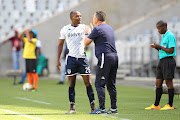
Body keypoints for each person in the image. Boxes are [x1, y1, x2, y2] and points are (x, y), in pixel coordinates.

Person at [57, 11, 96, 114]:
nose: (79, 17)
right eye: (77, 16)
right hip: (71, 59)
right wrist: (58, 59)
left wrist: (92, 33)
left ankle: (93, 107)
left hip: (82, 58)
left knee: (88, 83)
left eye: (80, 16)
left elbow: (88, 41)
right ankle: (72, 108)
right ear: (71, 18)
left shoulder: (85, 28)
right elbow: (60, 45)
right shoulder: (65, 29)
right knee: (71, 84)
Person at [84, 11, 118, 114]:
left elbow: (85, 42)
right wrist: (92, 32)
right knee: (111, 84)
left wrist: (87, 32)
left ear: (96, 19)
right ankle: (113, 108)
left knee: (99, 83)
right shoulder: (109, 28)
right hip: (114, 57)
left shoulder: (97, 29)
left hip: (105, 57)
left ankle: (102, 108)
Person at [145, 20, 176, 110]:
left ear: (165, 26)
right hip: (162, 61)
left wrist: (159, 46)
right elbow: (164, 49)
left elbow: (171, 51)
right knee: (158, 83)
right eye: (157, 29)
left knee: (168, 82)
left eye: (159, 28)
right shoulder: (164, 36)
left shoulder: (170, 35)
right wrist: (156, 47)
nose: (158, 30)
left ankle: (170, 105)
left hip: (168, 61)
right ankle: (156, 105)